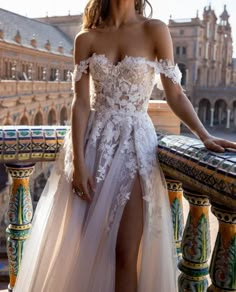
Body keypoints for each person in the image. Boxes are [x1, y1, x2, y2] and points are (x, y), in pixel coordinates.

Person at [13, 0, 236, 291]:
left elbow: (175, 94)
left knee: (126, 252)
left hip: (135, 146)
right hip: (92, 146)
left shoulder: (155, 30)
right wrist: (79, 163)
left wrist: (203, 135)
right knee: (84, 247)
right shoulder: (86, 38)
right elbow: (80, 103)